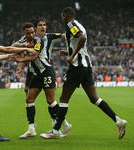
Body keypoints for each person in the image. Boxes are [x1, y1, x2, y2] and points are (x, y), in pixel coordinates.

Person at [41, 7, 127, 140]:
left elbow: (82, 37)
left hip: (77, 66)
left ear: (66, 16)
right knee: (94, 98)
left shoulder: (71, 25)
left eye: (62, 17)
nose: (62, 19)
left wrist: (72, 56)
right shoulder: (79, 24)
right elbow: (80, 41)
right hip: (86, 66)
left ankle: (56, 131)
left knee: (64, 99)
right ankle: (118, 120)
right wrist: (68, 52)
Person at [11, 20, 72, 139]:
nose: (31, 35)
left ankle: (64, 124)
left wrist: (20, 61)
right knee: (29, 99)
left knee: (50, 100)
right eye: (28, 33)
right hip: (35, 74)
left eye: (32, 33)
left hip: (46, 72)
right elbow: (13, 47)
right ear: (24, 33)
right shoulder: (24, 41)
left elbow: (34, 56)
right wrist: (23, 47)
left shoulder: (39, 40)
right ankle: (31, 129)